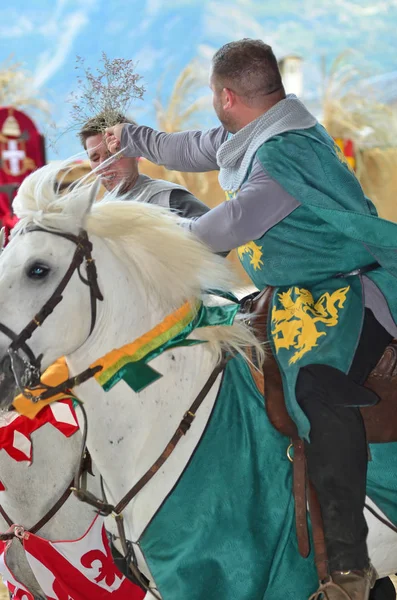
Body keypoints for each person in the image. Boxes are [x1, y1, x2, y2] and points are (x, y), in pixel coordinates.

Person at [104, 39, 397, 600]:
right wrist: (133, 136)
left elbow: (218, 230)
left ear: (226, 96)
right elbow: (189, 146)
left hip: (343, 297)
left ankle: (350, 567)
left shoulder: (285, 158)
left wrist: (130, 236)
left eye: (213, 99)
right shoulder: (256, 131)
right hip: (286, 297)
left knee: (319, 394)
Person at [78, 113, 209, 219]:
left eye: (112, 153)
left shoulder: (167, 199)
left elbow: (218, 239)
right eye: (95, 158)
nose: (103, 164)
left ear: (135, 152)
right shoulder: (97, 213)